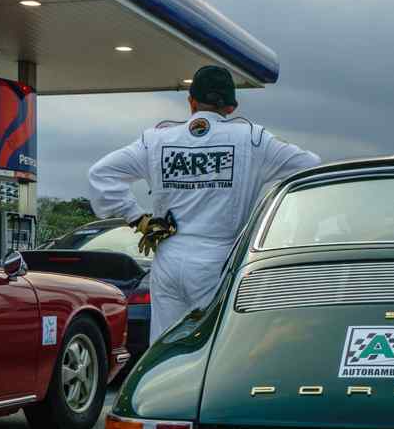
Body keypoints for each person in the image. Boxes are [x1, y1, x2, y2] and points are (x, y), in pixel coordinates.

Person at [88, 65, 320, 342]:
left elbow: (100, 174)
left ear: (191, 101)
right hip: (218, 260)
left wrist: (138, 219)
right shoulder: (254, 140)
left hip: (168, 258)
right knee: (213, 348)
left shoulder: (158, 139)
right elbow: (310, 167)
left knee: (165, 347)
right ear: (232, 107)